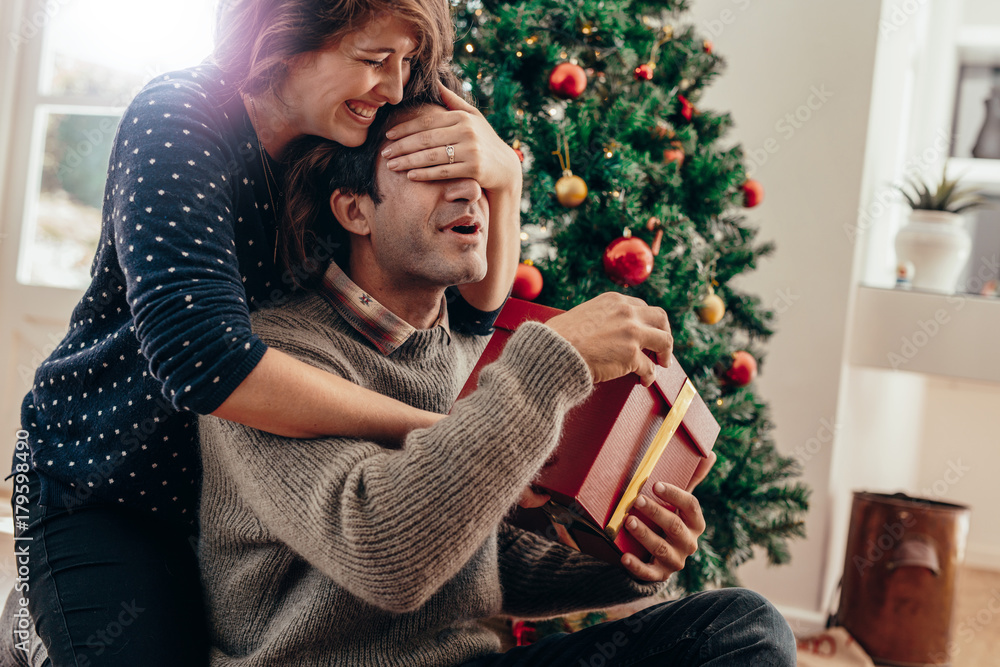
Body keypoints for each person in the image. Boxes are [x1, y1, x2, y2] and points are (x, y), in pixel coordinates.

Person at [196, 82, 797, 666]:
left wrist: (629, 558)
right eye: (434, 172)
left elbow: (483, 562)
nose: (469, 195)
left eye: (479, 174)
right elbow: (389, 559)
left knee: (741, 630)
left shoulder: (458, 350)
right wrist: (553, 362)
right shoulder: (274, 359)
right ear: (356, 211)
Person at [8, 1, 524, 664]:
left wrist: (505, 179)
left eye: (406, 63)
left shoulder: (344, 131)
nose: (396, 87)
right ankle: (39, 617)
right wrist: (433, 433)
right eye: (373, 60)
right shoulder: (181, 118)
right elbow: (204, 360)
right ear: (283, 39)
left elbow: (476, 302)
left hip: (234, 506)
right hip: (100, 485)